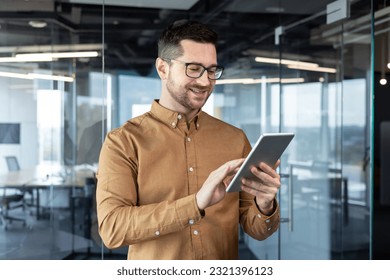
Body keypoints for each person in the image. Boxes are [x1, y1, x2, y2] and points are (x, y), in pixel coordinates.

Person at [96, 20, 281, 260]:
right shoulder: (123, 142)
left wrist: (265, 204)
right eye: (194, 68)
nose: (205, 81)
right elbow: (113, 229)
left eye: (212, 70)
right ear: (163, 69)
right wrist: (194, 203)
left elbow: (256, 229)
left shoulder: (235, 139)